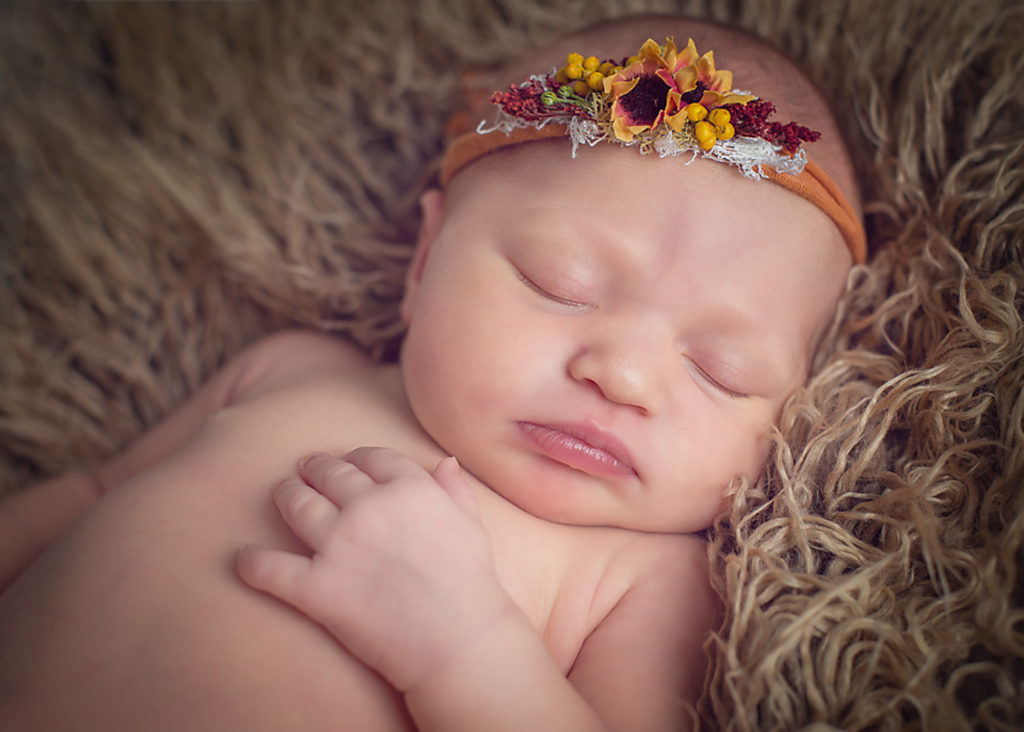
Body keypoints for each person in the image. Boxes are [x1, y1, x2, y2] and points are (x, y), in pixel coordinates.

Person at [0, 14, 865, 732]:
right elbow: (87, 495)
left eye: (722, 371)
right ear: (424, 260)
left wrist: (465, 648)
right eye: (555, 285)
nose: (624, 377)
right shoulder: (291, 368)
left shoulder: (644, 581)